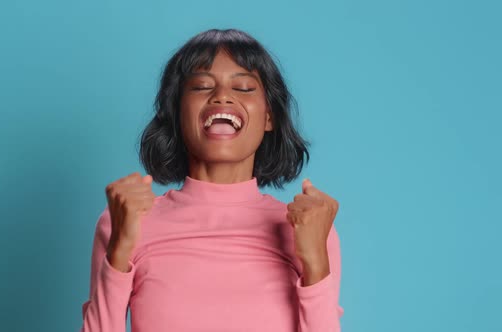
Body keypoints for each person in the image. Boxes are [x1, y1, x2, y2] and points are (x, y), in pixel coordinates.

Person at [80, 28, 344, 332]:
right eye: (202, 86)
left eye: (243, 87)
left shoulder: (309, 228)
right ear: (178, 113)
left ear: (269, 117)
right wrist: (119, 251)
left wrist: (315, 265)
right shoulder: (125, 221)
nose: (221, 96)